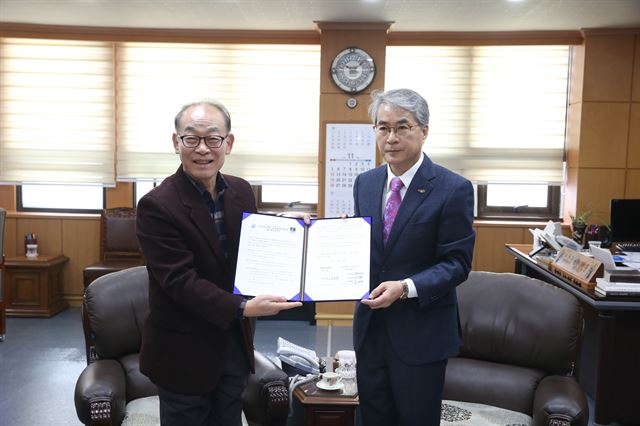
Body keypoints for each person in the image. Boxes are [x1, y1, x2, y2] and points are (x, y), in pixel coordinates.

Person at [136, 100, 302, 426]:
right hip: (182, 352)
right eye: (191, 138)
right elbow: (180, 282)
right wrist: (243, 308)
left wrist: (292, 228)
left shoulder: (240, 190)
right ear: (175, 143)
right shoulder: (157, 205)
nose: (202, 149)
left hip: (233, 346)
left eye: (213, 139)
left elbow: (254, 247)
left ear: (229, 143)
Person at [352, 88, 475, 425]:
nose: (391, 137)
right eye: (382, 127)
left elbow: (457, 263)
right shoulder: (365, 183)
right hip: (370, 329)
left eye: (402, 127)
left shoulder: (453, 188)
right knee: (372, 418)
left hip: (421, 333)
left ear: (424, 131)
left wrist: (405, 287)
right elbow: (361, 246)